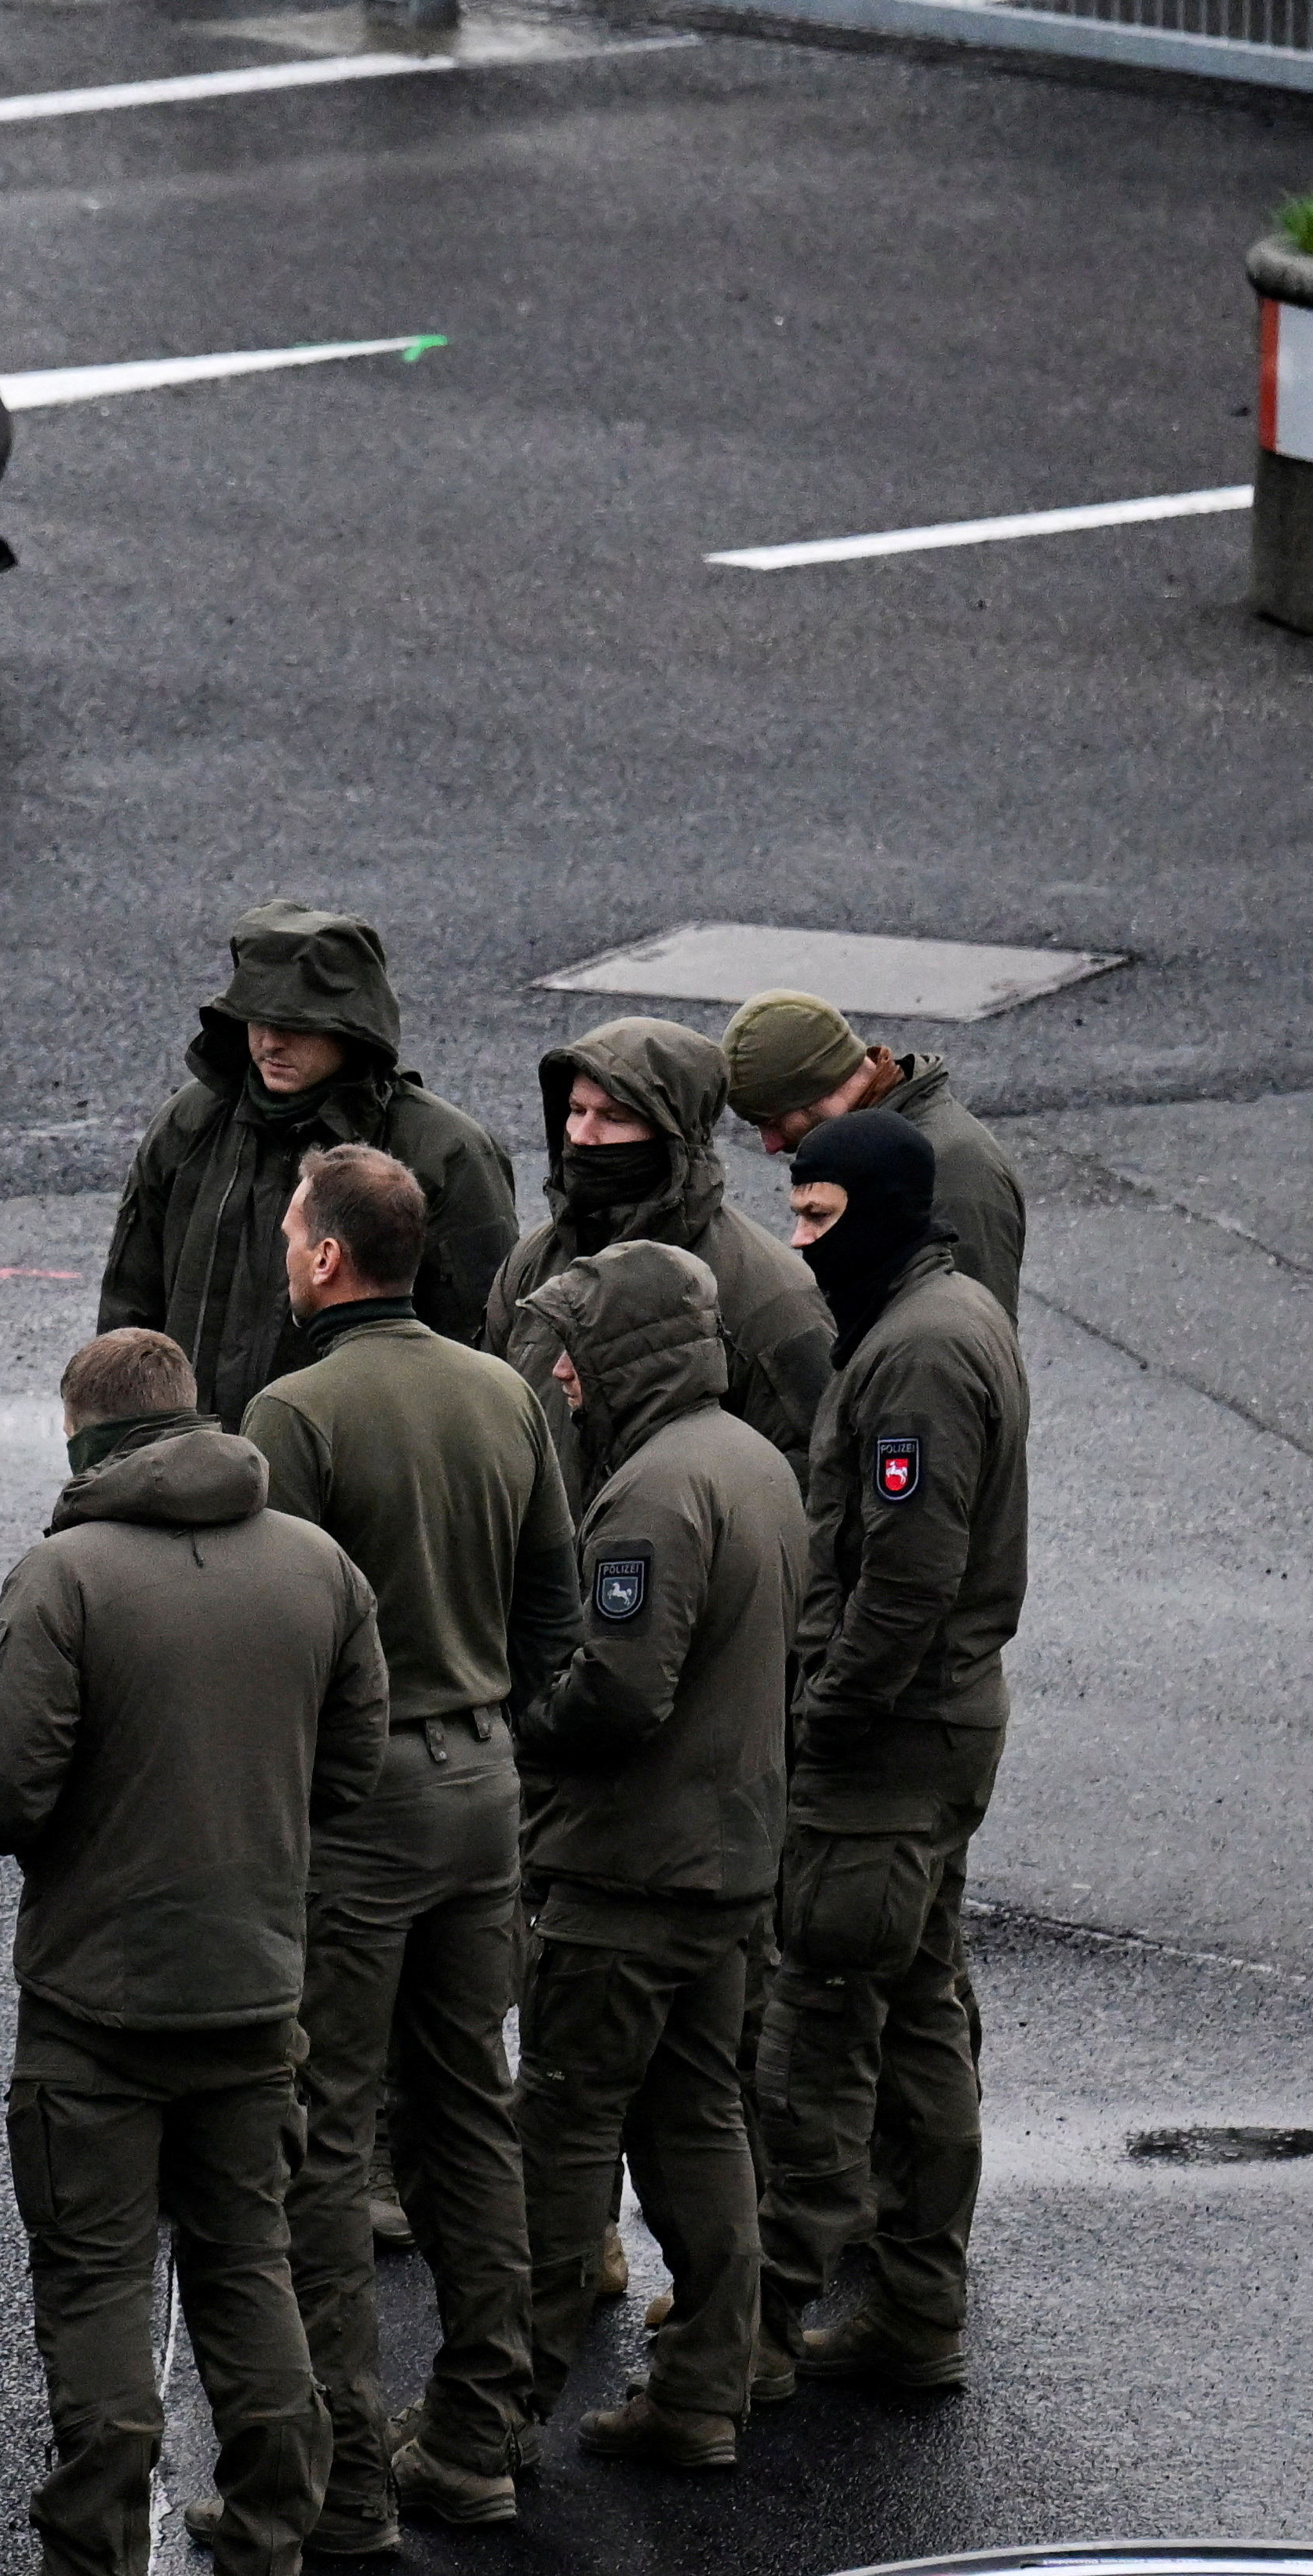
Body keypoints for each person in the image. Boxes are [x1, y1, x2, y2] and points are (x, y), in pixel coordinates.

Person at [0, 1329, 388, 2576]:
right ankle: (264, 2566)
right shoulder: (318, 1565)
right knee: (250, 2267)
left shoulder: (65, 1575)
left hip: (95, 2000)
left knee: (93, 2289)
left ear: (86, 1438)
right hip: (257, 1990)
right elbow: (355, 1767)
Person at [238, 1145, 575, 2537]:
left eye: (288, 1234)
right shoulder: (502, 1390)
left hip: (359, 1803)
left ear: (324, 1257)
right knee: (466, 2111)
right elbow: (558, 1608)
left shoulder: (295, 1407)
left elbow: (269, 1628)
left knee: (322, 2129)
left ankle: (339, 2470)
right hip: (483, 1781)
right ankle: (479, 2432)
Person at [504, 1243, 806, 2469]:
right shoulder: (753, 1462)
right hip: (726, 1867)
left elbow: (619, 1695)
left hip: (625, 1875)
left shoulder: (648, 1494)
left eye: (574, 1349)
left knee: (563, 2137)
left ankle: (486, 2420)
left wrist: (520, 1728)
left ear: (620, 1356)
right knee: (698, 2126)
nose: (561, 1375)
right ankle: (703, 2393)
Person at [757, 1110, 1027, 2395]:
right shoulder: (944, 1315)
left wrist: (822, 1721)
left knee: (821, 2020)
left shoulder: (916, 1353)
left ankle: (756, 2322)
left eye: (818, 1219)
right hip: (935, 1726)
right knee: (918, 2009)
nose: (802, 1248)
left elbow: (906, 1575)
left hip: (888, 1740)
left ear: (876, 1208)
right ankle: (914, 2302)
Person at [97, 904, 520, 1424]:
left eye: (295, 1023)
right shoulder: (191, 1123)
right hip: (188, 1466)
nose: (271, 1041)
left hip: (346, 1478)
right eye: (257, 1017)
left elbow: (482, 1348)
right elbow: (128, 1309)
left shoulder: (442, 1153)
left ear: (352, 1029)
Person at [486, 1016, 833, 1464]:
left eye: (613, 1117)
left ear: (672, 1138)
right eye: (575, 1110)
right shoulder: (536, 1261)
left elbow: (806, 1481)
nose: (581, 1136)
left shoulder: (768, 1296)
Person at [719, 992, 1027, 1317]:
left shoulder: (951, 1169)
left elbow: (963, 1335)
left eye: (773, 1121)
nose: (770, 1144)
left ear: (818, 1089)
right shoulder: (868, 1153)